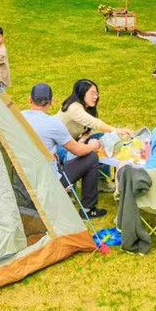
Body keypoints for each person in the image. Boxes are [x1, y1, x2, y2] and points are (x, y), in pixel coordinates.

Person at [23, 83, 104, 218]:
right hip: (49, 183)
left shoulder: (18, 118)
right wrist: (93, 146)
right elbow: (78, 150)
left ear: (30, 100)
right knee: (91, 158)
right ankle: (88, 209)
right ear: (51, 102)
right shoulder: (52, 124)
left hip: (23, 179)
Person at [58, 79, 128, 142]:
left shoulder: (88, 108)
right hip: (59, 145)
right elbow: (94, 123)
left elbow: (89, 130)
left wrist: (82, 140)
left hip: (73, 142)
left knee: (101, 137)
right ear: (82, 93)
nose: (96, 97)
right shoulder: (74, 107)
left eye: (96, 93)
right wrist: (117, 130)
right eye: (92, 93)